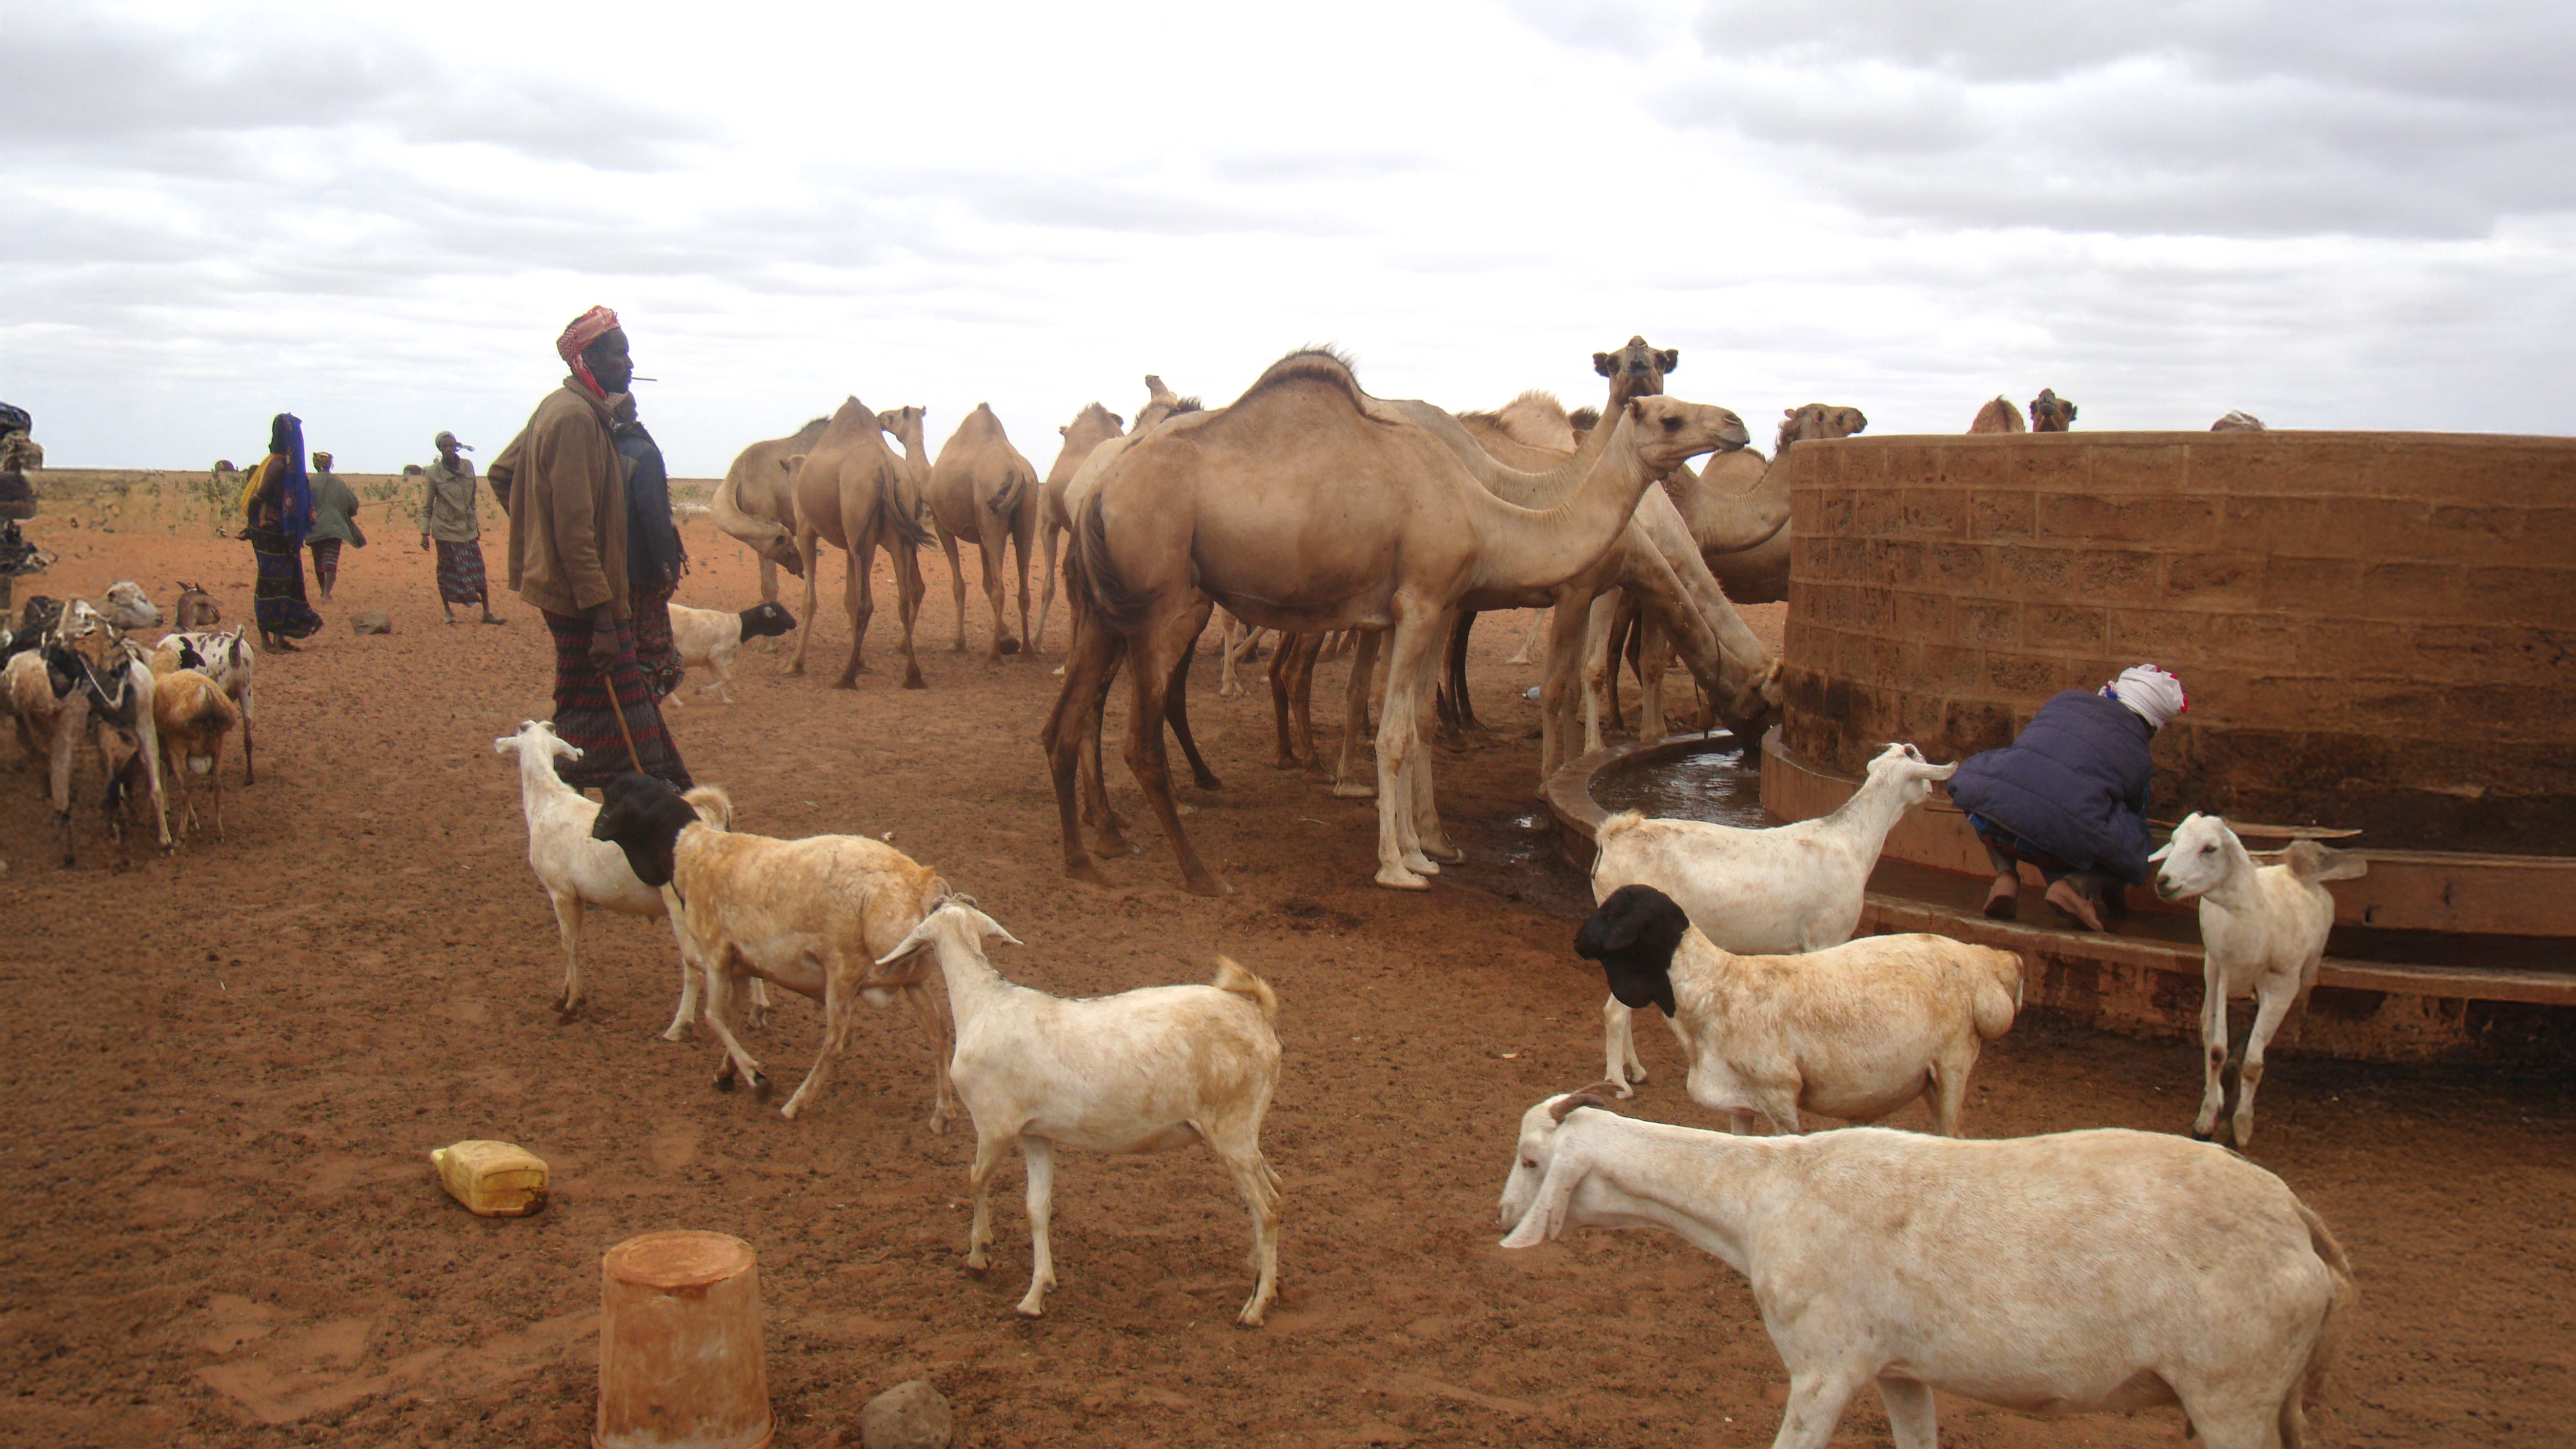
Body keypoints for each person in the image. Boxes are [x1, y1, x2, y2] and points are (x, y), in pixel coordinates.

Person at [488, 307, 690, 790]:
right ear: (590, 360)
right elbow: (577, 531)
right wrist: (601, 614)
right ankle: (666, 810)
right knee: (624, 709)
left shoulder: (564, 409)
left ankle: (576, 793)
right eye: (618, 353)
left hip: (574, 589)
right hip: (588, 599)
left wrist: (542, 542)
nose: (629, 362)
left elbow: (503, 474)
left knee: (587, 698)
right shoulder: (576, 420)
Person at [1946, 664, 2189, 932]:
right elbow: (2124, 843)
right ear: (2151, 725)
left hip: (1996, 823)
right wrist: (2118, 907)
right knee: (2141, 847)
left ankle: (2006, 877)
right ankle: (2073, 888)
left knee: (1995, 791)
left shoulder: (2064, 700)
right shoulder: (2139, 756)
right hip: (2057, 836)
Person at [612, 393, 689, 700]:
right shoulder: (643, 453)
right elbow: (656, 517)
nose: (637, 412)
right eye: (632, 406)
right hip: (641, 574)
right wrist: (668, 569)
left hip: (604, 571)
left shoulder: (596, 449)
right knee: (652, 656)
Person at [239, 413, 325, 651]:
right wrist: (257, 523)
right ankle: (269, 640)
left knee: (285, 582)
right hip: (273, 534)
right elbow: (261, 496)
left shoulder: (277, 463)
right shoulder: (278, 465)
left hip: (277, 533)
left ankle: (278, 638)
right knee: (274, 583)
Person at [418, 431, 504, 625]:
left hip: (467, 529)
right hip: (445, 530)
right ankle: (448, 612)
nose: (448, 449)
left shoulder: (468, 466)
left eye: (451, 445)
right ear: (440, 449)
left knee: (477, 570)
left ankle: (487, 613)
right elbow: (427, 506)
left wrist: (475, 525)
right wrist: (424, 533)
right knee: (447, 570)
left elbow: (472, 499)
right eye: (444, 447)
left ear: (456, 446)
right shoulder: (434, 473)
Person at [304, 450, 366, 600]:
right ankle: (327, 594)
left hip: (315, 528)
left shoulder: (310, 483)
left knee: (318, 561)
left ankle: (323, 592)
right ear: (330, 464)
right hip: (335, 528)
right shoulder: (340, 483)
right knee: (331, 561)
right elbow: (353, 506)